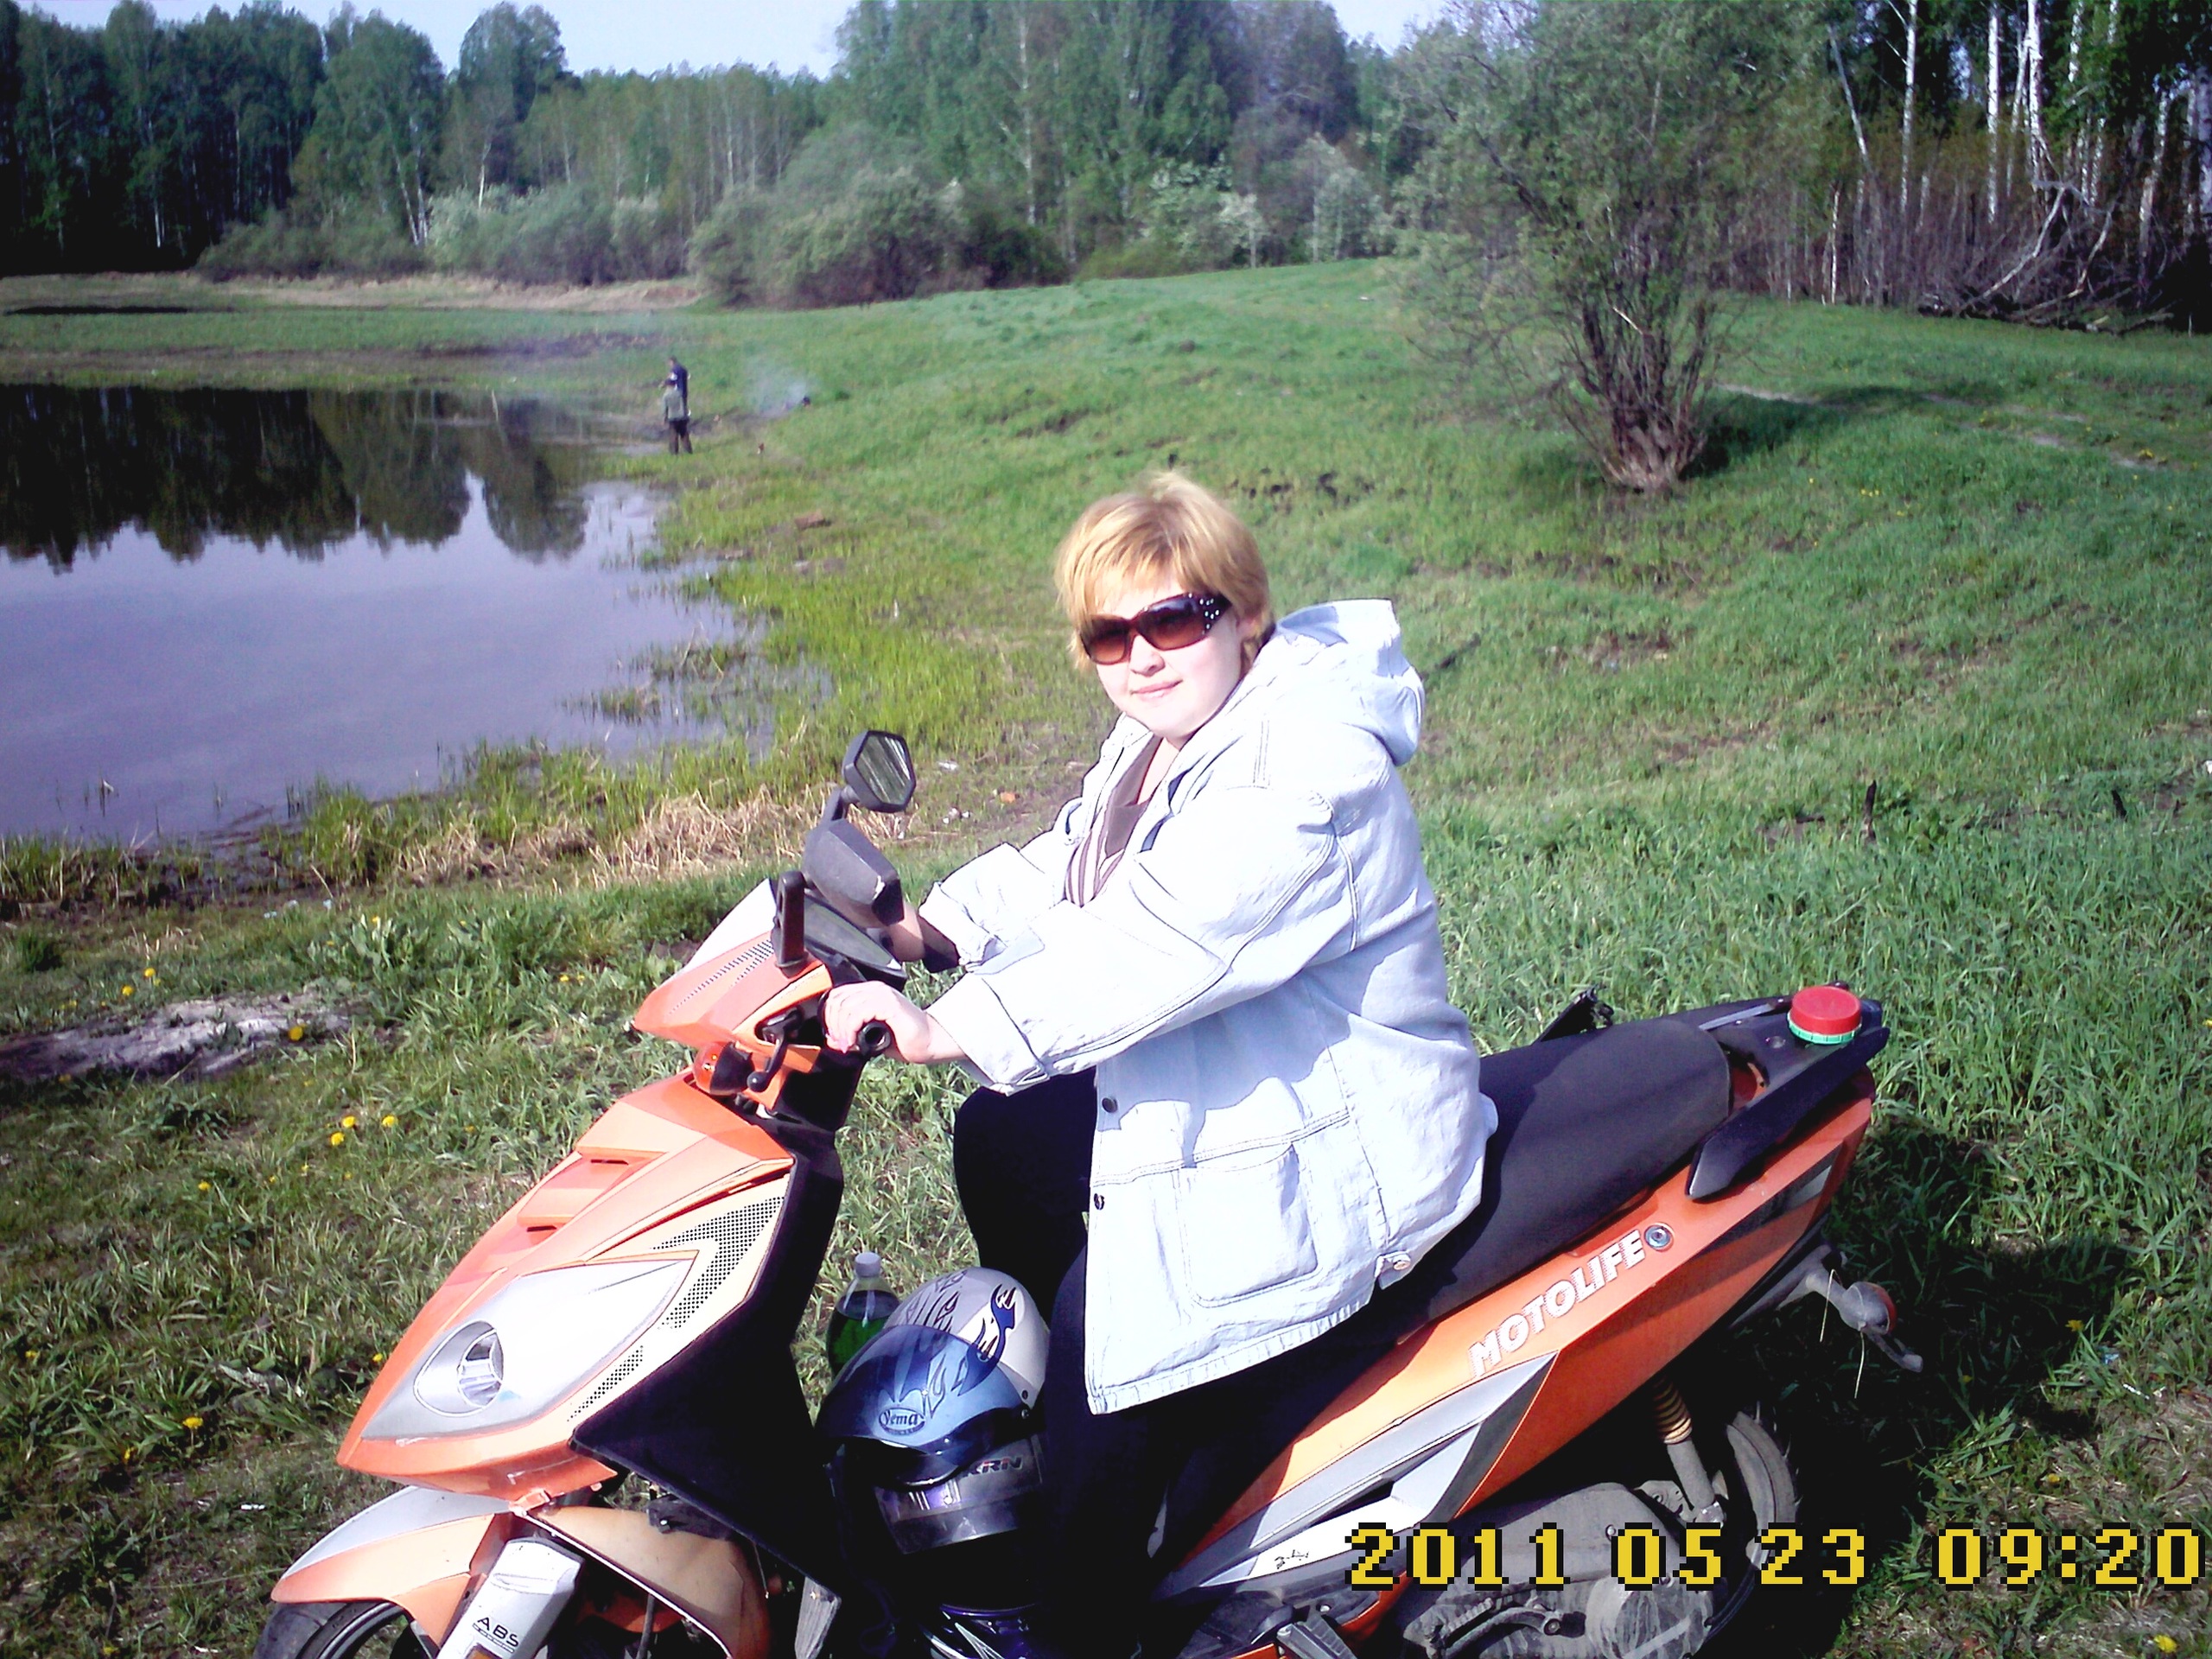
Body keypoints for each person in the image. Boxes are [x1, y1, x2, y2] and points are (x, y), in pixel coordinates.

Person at [824, 472, 1493, 1654]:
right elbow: (1073, 865)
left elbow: (1154, 944)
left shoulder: (1303, 770)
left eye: (1172, 619)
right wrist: (935, 932)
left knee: (1111, 1352)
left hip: (1348, 1150)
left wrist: (944, 1027)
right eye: (1107, 633)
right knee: (1003, 1135)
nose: (1140, 655)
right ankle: (1109, 1417)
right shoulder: (1167, 734)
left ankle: (1090, 1602)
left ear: (1245, 613)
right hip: (1258, 1092)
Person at [660, 372, 691, 454]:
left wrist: (664, 419)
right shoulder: (679, 393)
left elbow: (664, 409)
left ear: (668, 386)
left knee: (673, 435)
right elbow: (684, 405)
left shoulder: (666, 396)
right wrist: (686, 416)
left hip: (672, 418)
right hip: (682, 417)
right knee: (684, 434)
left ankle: (674, 452)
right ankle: (688, 450)